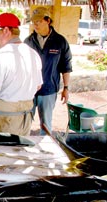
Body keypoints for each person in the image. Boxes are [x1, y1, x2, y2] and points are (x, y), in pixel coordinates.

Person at [24, 7, 72, 135]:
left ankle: (45, 150)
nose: (35, 25)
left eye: (38, 21)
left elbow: (66, 67)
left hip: (49, 91)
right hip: (30, 90)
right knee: (24, 123)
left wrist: (66, 88)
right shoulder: (28, 41)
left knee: (46, 125)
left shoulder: (60, 42)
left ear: (48, 21)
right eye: (33, 22)